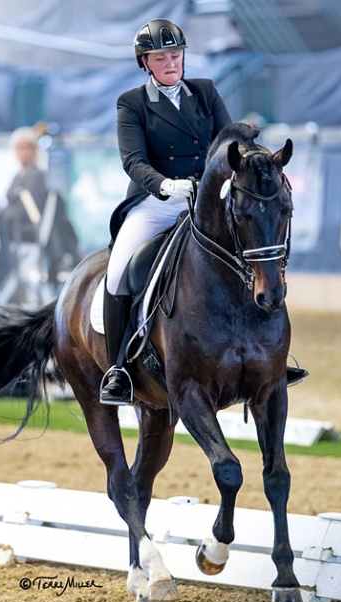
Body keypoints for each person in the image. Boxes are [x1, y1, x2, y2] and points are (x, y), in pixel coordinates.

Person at [100, 18, 233, 405]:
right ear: (146, 63)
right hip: (157, 202)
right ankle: (118, 368)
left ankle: (269, 354)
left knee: (254, 250)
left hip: (206, 200)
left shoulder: (205, 92)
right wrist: (164, 185)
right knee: (118, 272)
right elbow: (133, 161)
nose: (171, 63)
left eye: (176, 55)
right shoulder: (133, 103)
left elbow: (225, 141)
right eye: (162, 57)